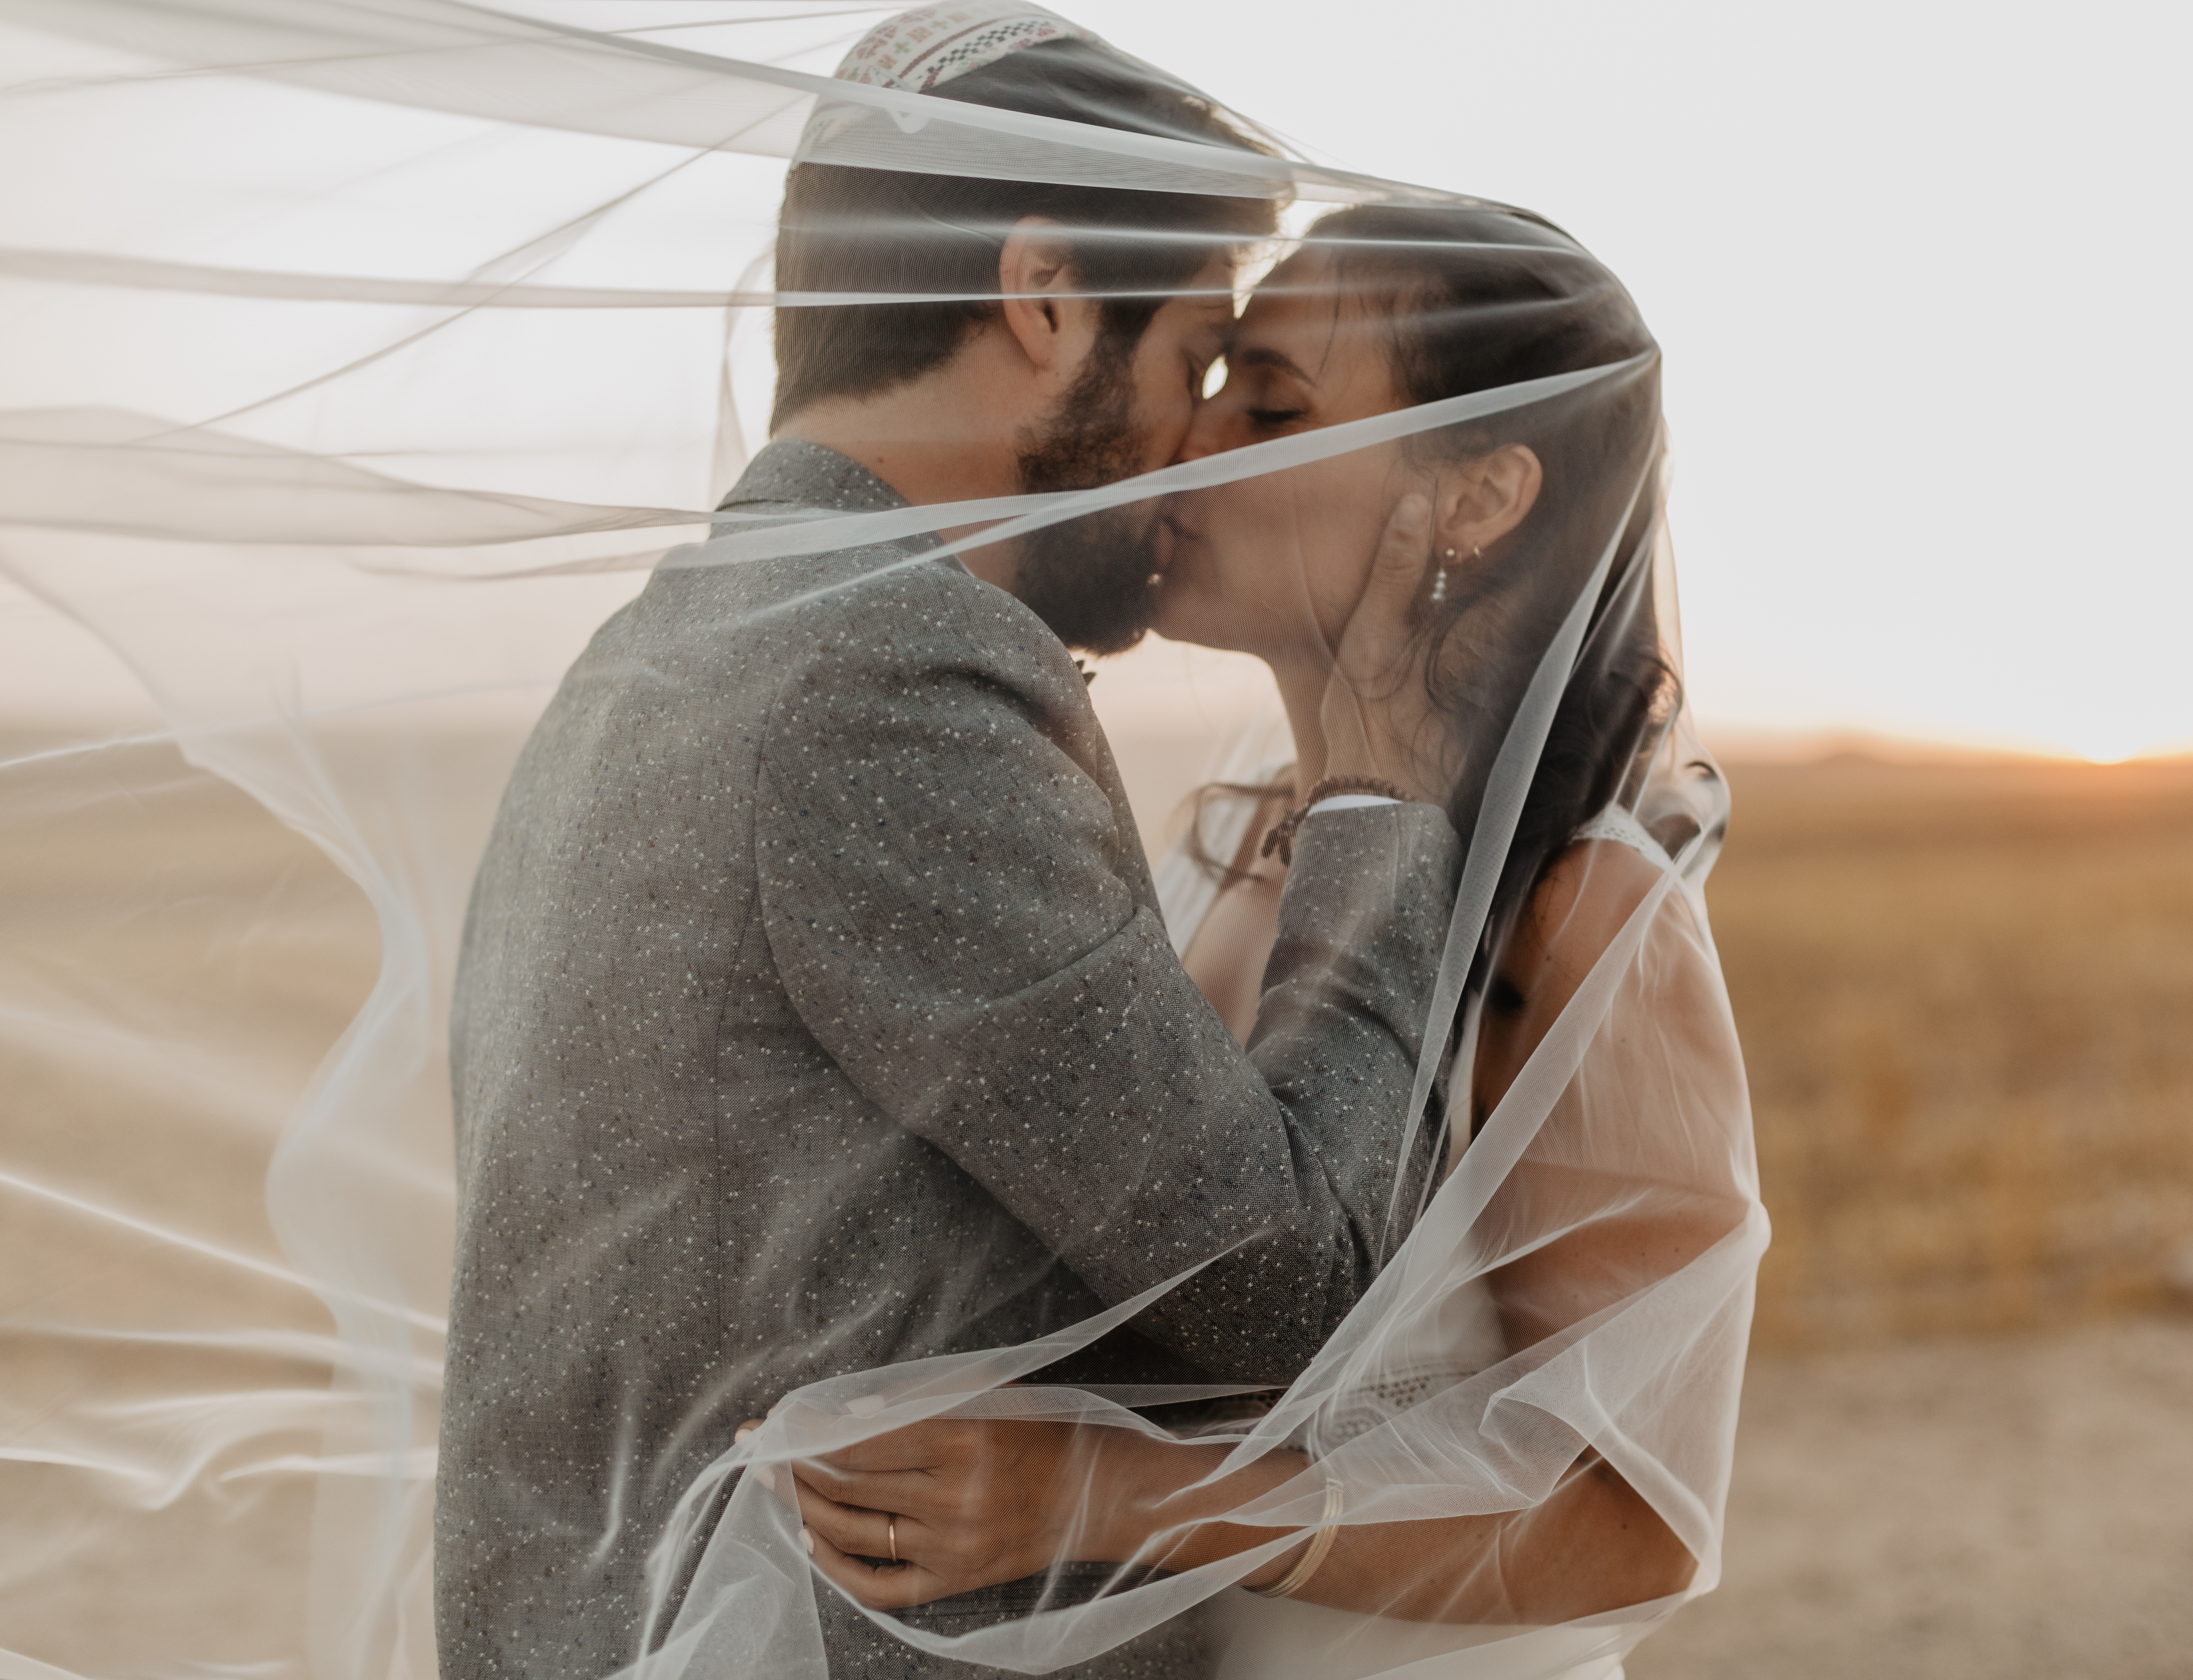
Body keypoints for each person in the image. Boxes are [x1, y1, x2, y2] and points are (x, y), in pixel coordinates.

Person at [436, 16, 1467, 1680]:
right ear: (1046, 299)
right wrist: (1385, 784)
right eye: (1199, 358)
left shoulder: (660, 648)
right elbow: (1299, 1298)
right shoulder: (891, 677)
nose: (1206, 444)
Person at [739, 206, 1760, 1679]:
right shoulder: (1226, 848)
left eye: (1272, 405)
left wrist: (1110, 1498)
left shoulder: (1580, 908)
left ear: (1478, 496)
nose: (1193, 439)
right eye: (1211, 382)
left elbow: (1637, 1518)